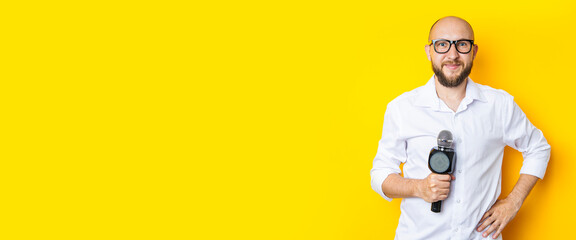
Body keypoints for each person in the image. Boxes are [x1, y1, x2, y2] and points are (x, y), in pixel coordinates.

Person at [370, 16, 550, 240]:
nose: (452, 55)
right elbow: (379, 175)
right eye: (442, 44)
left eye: (462, 44)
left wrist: (513, 203)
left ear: (473, 52)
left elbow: (539, 148)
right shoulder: (402, 108)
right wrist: (419, 188)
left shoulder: (499, 105)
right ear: (429, 51)